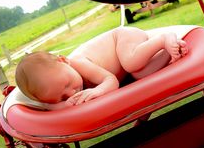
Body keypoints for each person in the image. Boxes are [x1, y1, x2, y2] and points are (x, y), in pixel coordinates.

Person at [14, 25, 190, 109]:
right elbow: (54, 108)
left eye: (67, 84)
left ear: (63, 61)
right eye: (61, 97)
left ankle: (163, 39)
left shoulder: (79, 63)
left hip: (122, 38)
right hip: (127, 60)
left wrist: (97, 91)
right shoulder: (64, 78)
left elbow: (111, 80)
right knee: (140, 73)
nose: (72, 93)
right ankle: (171, 50)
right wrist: (63, 104)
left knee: (131, 62)